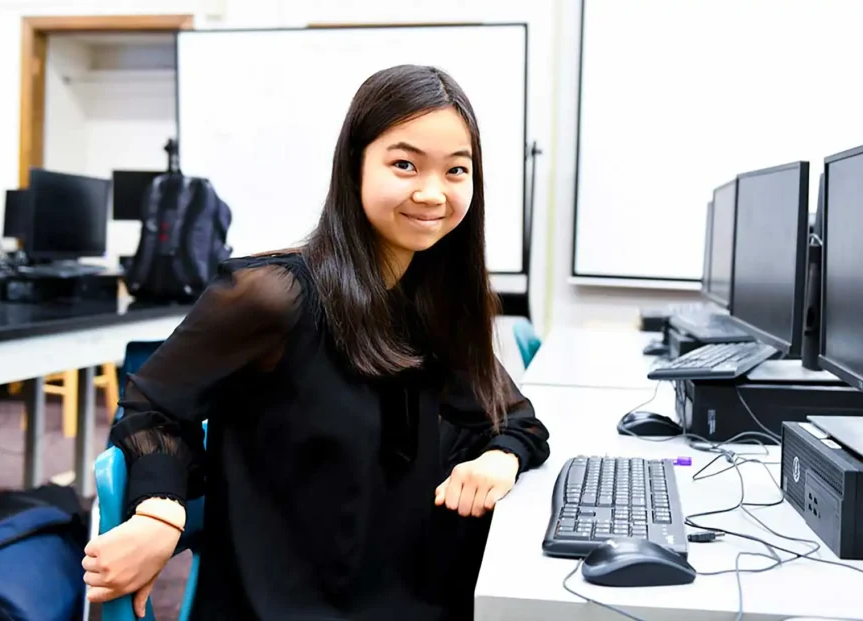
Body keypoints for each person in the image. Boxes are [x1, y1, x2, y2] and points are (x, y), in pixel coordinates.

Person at [82, 64, 551, 620]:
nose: (432, 193)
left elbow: (513, 419)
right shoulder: (275, 295)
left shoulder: (430, 302)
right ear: (353, 165)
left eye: (456, 170)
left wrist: (500, 456)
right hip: (292, 604)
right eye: (405, 165)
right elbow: (152, 405)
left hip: (403, 588)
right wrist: (160, 512)